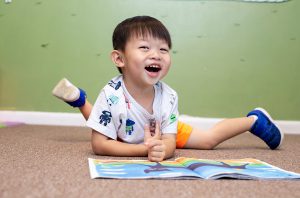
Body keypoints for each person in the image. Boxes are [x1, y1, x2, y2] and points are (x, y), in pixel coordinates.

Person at [52, 16, 283, 161]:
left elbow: (170, 141)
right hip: (125, 129)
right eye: (144, 47)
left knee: (208, 141)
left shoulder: (168, 96)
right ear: (119, 59)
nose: (156, 54)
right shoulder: (110, 94)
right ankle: (80, 100)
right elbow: (100, 145)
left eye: (163, 50)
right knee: (106, 123)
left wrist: (165, 148)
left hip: (160, 128)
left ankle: (254, 121)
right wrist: (145, 151)